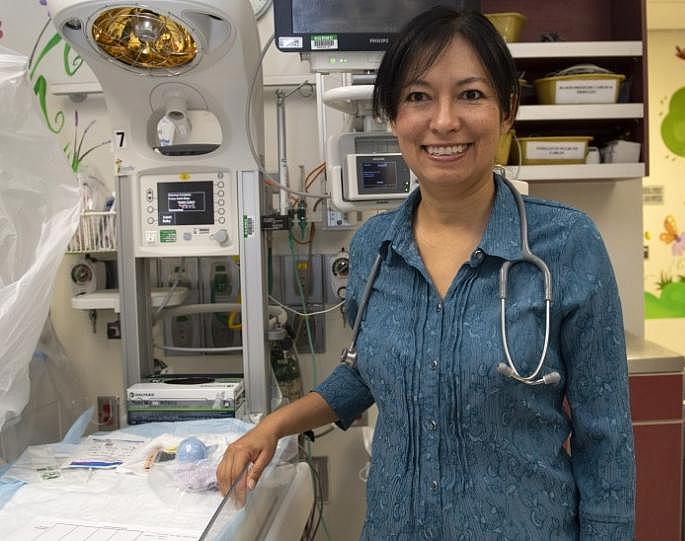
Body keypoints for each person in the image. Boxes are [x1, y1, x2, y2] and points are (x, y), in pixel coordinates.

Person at [217, 6, 635, 539]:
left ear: (507, 111)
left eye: (470, 94)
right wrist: (274, 426)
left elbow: (607, 439)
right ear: (393, 115)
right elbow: (367, 371)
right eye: (418, 97)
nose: (443, 121)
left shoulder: (567, 246)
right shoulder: (375, 246)